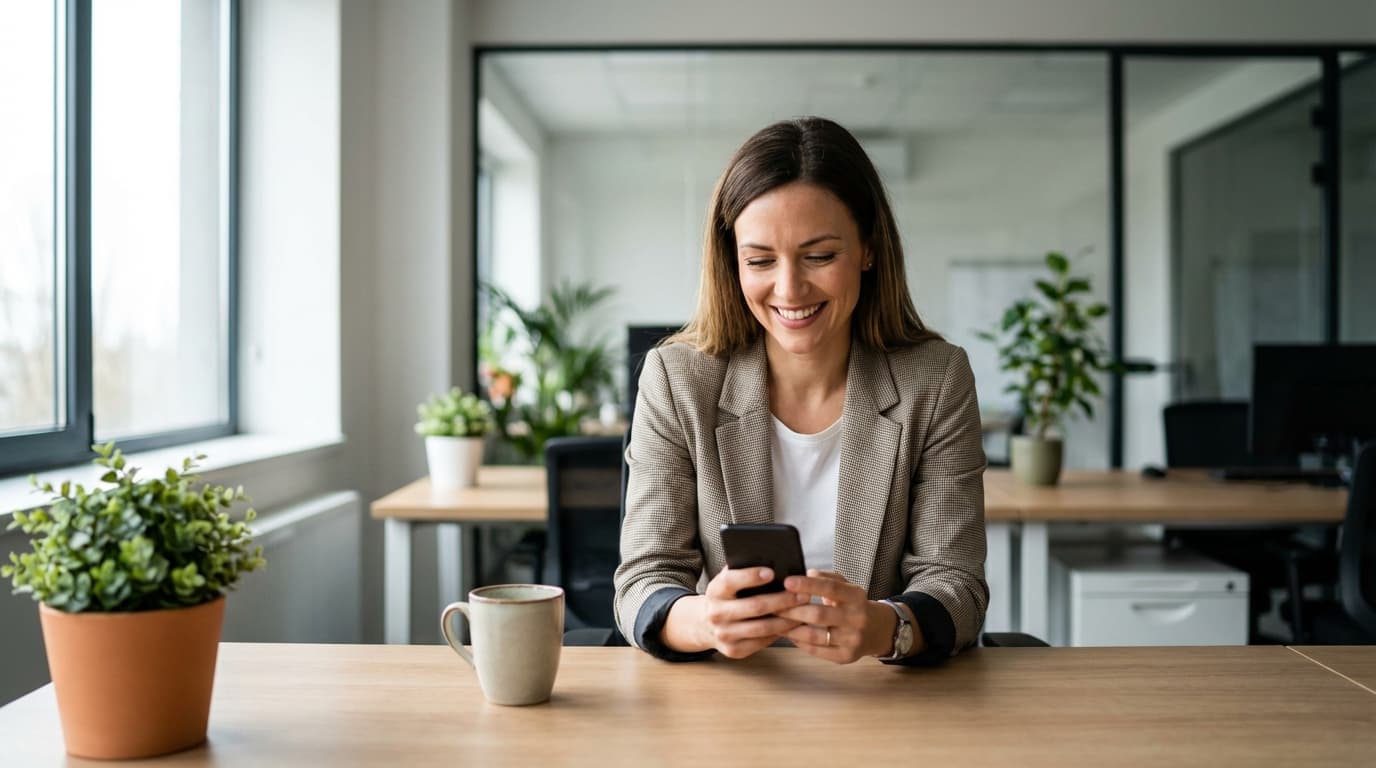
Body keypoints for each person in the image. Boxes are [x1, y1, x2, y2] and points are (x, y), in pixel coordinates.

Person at [613, 117, 988, 666]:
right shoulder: (677, 380)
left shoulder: (934, 380)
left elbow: (956, 583)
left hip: (883, 700)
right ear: (732, 263)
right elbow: (643, 579)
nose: (789, 290)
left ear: (867, 248)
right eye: (760, 260)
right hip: (736, 694)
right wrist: (703, 621)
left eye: (819, 256)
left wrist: (887, 627)